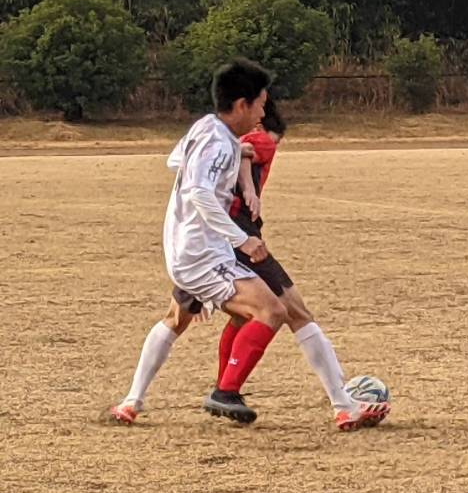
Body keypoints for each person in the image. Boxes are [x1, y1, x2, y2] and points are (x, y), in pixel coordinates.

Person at [111, 97, 390, 431]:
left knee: (181, 318)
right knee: (295, 314)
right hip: (236, 237)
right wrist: (247, 185)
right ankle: (341, 405)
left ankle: (132, 402)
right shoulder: (259, 139)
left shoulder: (216, 137)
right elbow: (243, 152)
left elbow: (190, 160)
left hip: (207, 241)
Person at [111, 58, 289, 425]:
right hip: (202, 255)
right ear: (241, 104)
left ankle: (132, 401)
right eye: (260, 104)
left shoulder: (205, 128)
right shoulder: (220, 141)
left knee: (181, 318)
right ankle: (225, 392)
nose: (263, 113)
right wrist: (242, 240)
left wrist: (233, 155)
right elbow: (199, 193)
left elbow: (175, 161)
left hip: (187, 247)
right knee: (271, 311)